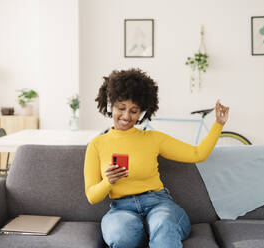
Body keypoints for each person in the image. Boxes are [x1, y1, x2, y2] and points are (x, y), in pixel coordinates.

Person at [84, 68, 229, 248]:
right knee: (121, 235)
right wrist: (108, 181)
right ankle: (148, 232)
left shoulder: (153, 139)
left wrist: (218, 124)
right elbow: (91, 196)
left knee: (163, 224)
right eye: (121, 108)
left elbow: (197, 154)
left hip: (158, 204)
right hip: (122, 208)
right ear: (110, 105)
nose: (126, 116)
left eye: (134, 111)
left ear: (142, 112)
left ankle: (156, 231)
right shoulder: (97, 144)